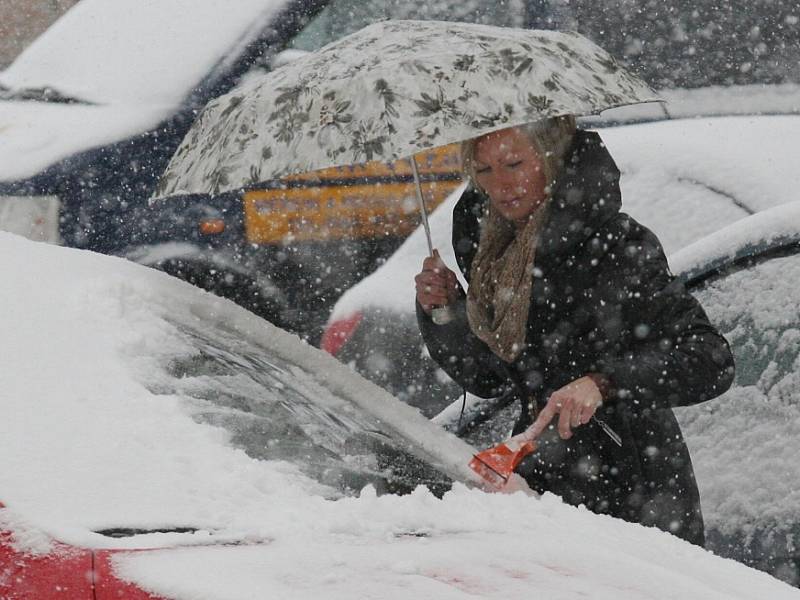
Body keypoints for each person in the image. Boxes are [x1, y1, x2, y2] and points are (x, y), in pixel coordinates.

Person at [414, 116, 734, 546]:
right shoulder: (497, 253)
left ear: (551, 158)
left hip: (633, 495)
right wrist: (445, 313)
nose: (500, 184)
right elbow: (488, 377)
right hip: (540, 485)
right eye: (485, 171)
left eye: (513, 164)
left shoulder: (617, 244)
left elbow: (709, 359)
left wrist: (603, 383)